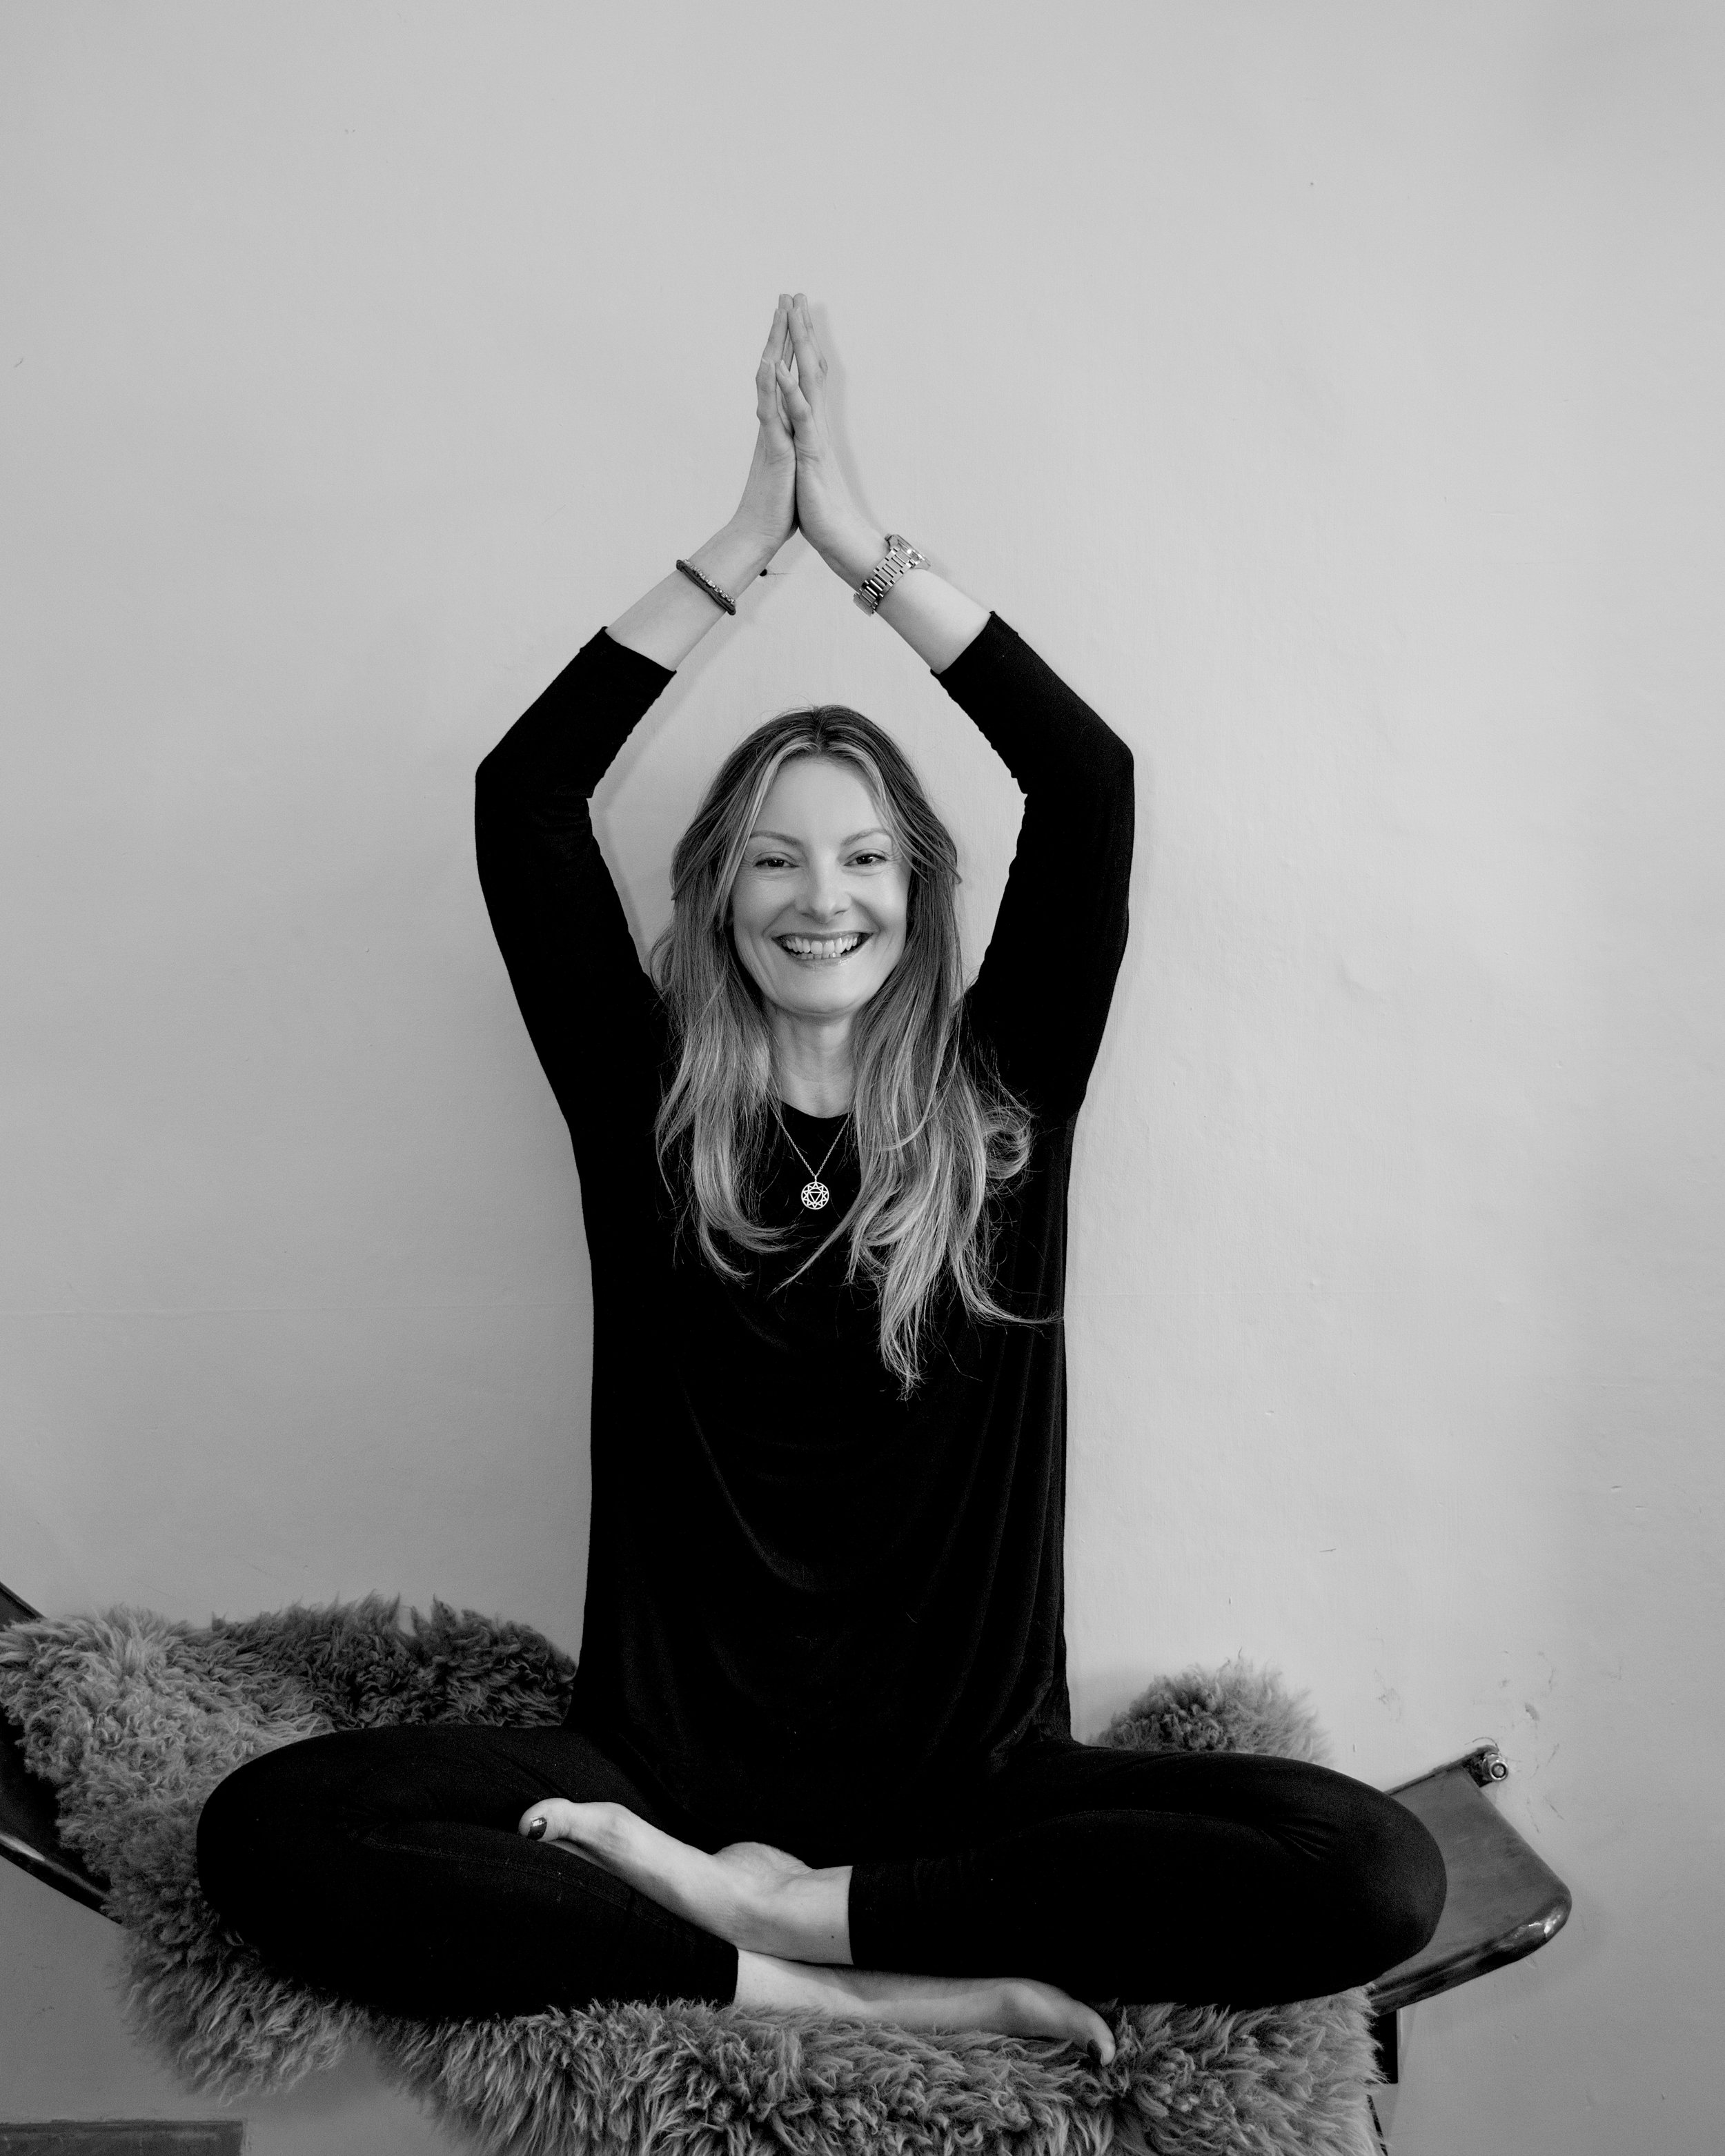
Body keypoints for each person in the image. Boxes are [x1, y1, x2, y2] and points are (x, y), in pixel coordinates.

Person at [197, 296, 1444, 2059]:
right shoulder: (644, 1102)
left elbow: (1084, 784)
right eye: (771, 858)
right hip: (661, 1773)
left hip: (972, 1795)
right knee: (269, 1833)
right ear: (717, 894)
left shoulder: (1001, 1101)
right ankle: (800, 1978)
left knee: (1371, 1874)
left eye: (863, 855)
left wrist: (855, 548)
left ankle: (807, 1918)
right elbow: (525, 791)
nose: (819, 895)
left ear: (920, 890)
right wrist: (736, 545)